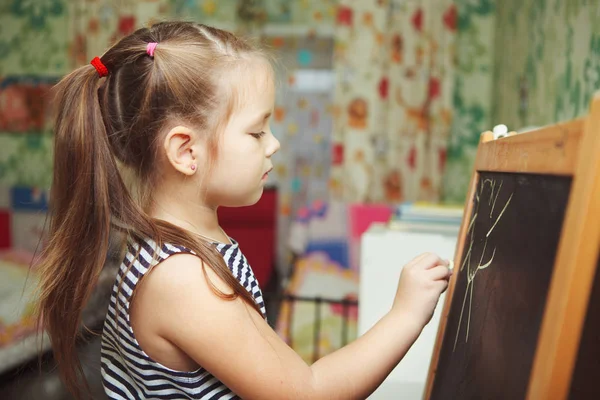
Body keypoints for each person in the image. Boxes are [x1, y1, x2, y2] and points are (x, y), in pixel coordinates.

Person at [35, 21, 452, 400]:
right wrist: (406, 314)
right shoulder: (181, 277)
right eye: (256, 131)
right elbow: (308, 393)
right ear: (186, 151)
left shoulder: (185, 249)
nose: (273, 144)